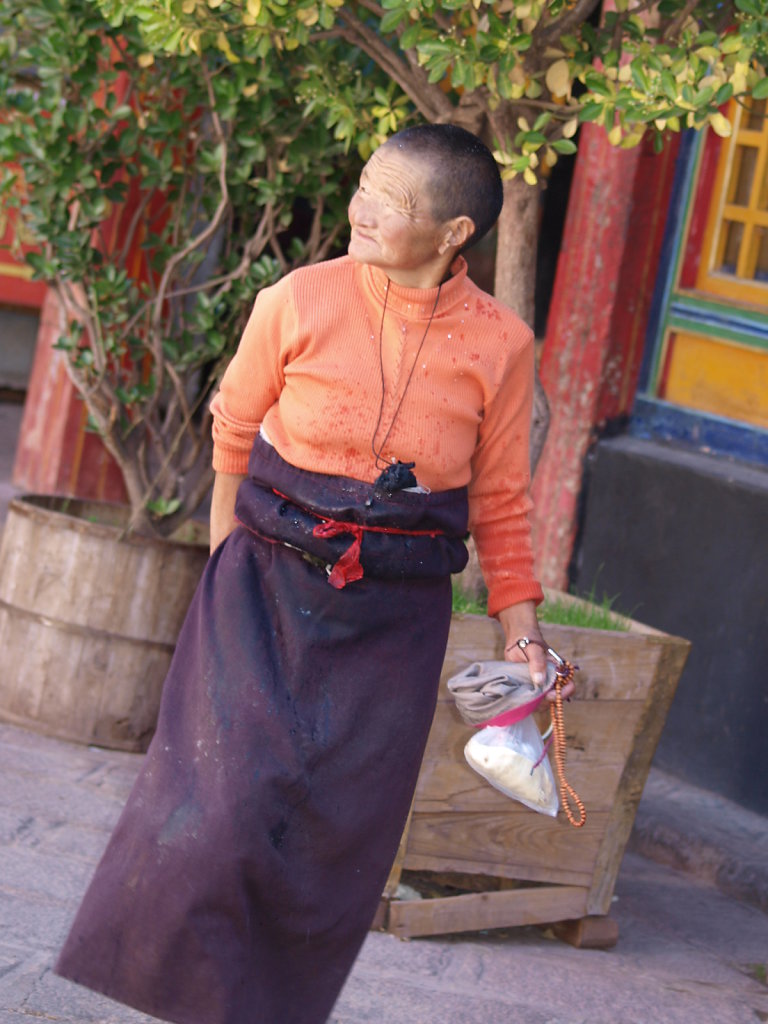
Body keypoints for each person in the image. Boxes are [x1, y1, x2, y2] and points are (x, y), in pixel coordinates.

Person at [54, 123, 571, 1024]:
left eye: (392, 201)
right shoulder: (295, 298)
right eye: (364, 184)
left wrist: (521, 633)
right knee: (217, 808)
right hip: (262, 586)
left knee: (327, 845)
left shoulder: (501, 343)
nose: (361, 210)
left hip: (394, 621)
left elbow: (500, 507)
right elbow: (234, 431)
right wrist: (224, 558)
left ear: (454, 234)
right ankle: (168, 992)